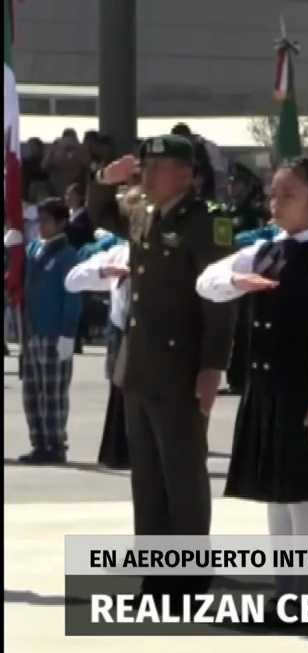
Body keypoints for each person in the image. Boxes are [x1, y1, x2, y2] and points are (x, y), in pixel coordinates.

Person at [194, 157, 308, 613]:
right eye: (273, 194)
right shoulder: (267, 248)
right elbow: (206, 280)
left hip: (302, 388)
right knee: (273, 492)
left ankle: (303, 592)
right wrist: (236, 280)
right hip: (265, 387)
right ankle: (284, 588)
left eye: (288, 195)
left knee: (299, 491)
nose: (275, 204)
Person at [88, 135, 237, 596]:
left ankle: (189, 579)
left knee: (182, 475)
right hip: (140, 365)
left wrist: (212, 366)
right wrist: (102, 182)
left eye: (161, 167)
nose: (148, 175)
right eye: (146, 166)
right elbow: (99, 215)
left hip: (181, 366)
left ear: (188, 175)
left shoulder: (207, 223)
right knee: (147, 478)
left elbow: (221, 301)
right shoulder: (143, 212)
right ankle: (157, 576)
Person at [14, 199, 83, 465]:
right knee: (32, 391)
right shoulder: (33, 249)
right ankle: (39, 441)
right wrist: (12, 248)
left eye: (45, 221)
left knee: (52, 393)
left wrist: (68, 332)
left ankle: (55, 443)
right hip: (32, 332)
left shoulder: (67, 255)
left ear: (61, 223)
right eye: (38, 221)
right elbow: (16, 277)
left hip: (55, 333)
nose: (40, 226)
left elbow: (72, 296)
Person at [64, 229, 132, 469]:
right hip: (124, 332)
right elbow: (72, 280)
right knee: (121, 392)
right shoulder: (118, 252)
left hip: (159, 333)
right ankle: (120, 452)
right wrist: (104, 272)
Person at [220, 163, 271, 396]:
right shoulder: (227, 210)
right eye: (231, 183)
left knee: (243, 328)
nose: (232, 187)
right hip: (227, 271)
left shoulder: (255, 212)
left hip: (248, 273)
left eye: (237, 183)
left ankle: (240, 377)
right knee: (231, 328)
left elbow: (256, 239)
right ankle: (234, 375)